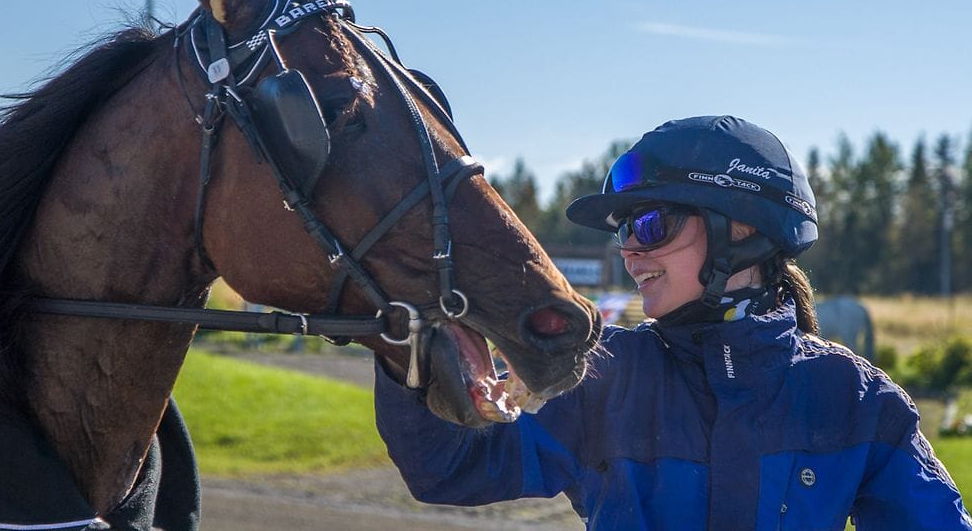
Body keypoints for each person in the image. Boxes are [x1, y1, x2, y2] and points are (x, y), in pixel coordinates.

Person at [373, 115, 972, 530]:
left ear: (741, 231)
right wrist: (400, 333)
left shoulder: (856, 399)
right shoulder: (602, 376)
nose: (630, 251)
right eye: (623, 231)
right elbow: (448, 467)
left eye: (650, 225)